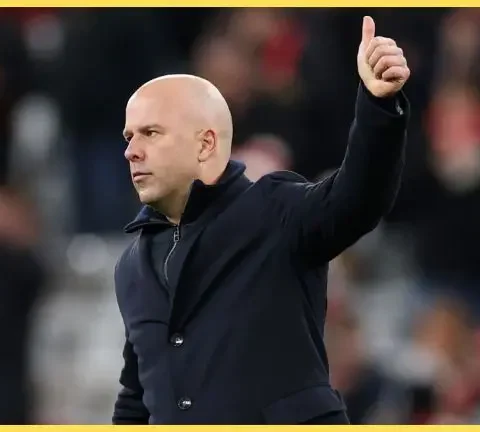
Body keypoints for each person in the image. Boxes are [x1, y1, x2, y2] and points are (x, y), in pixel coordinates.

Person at [112, 16, 410, 425]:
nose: (131, 151)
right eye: (129, 137)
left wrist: (378, 106)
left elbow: (357, 199)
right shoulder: (132, 264)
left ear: (206, 143)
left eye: (151, 133)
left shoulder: (275, 210)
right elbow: (138, 399)